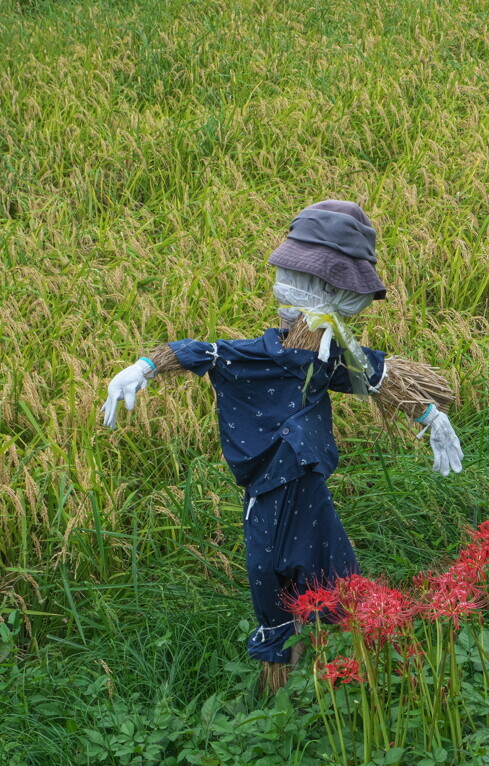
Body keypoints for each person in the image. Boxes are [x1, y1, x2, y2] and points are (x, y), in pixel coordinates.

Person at [100, 200, 463, 692]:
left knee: (338, 581)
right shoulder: (258, 355)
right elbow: (207, 352)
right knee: (272, 584)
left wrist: (431, 417)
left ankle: (355, 677)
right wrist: (145, 366)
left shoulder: (333, 357)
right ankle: (284, 693)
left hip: (309, 489)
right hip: (268, 492)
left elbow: (378, 377)